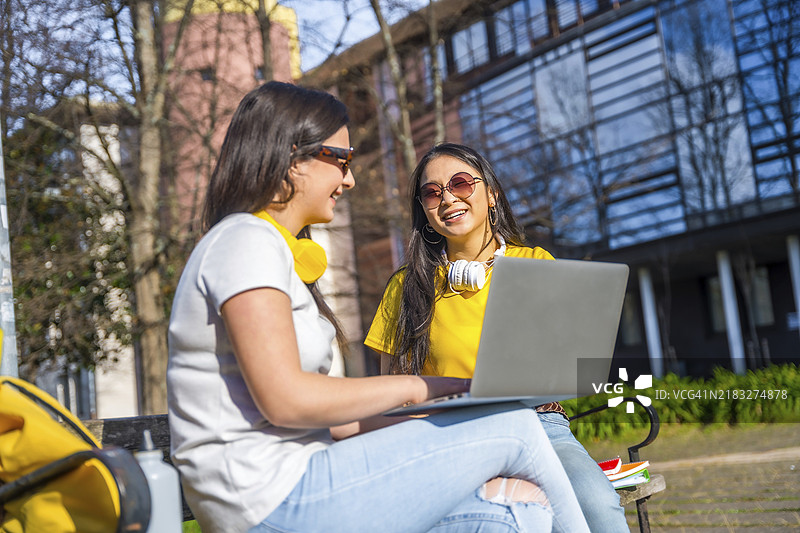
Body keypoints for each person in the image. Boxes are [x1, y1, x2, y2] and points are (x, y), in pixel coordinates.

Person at [167, 82, 591, 533]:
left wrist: (444, 402)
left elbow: (331, 423)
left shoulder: (268, 250)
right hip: (267, 499)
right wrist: (418, 388)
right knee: (517, 428)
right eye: (342, 160)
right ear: (294, 158)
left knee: (519, 512)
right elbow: (287, 400)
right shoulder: (245, 242)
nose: (349, 179)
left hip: (304, 474)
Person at [365, 142, 629, 532]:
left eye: (460, 183)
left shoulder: (538, 264)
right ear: (423, 209)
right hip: (451, 436)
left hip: (538, 426)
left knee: (597, 506)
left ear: (491, 194)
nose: (448, 198)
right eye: (432, 192)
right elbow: (388, 390)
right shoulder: (406, 288)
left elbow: (573, 364)